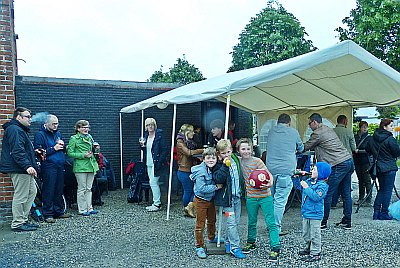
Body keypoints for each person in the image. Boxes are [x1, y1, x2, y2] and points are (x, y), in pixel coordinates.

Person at [304, 113, 354, 230]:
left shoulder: (317, 133)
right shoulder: (328, 129)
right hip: (348, 160)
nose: (309, 126)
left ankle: (322, 222)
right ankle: (347, 221)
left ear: (314, 122)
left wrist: (295, 148)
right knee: (346, 193)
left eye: (309, 123)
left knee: (327, 192)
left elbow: (306, 146)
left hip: (338, 163)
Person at [237, 138, 280, 262]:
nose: (246, 151)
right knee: (251, 221)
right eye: (243, 149)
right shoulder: (238, 161)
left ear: (252, 149)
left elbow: (268, 173)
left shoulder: (257, 161)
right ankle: (251, 242)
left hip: (265, 196)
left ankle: (275, 247)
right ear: (239, 150)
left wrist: (270, 182)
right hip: (251, 197)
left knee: (271, 222)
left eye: (248, 149)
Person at [0, 107, 39, 232]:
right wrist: (27, 166)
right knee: (21, 195)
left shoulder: (18, 129)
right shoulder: (15, 130)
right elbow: (17, 151)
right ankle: (17, 223)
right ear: (18, 117)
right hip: (19, 168)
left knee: (31, 192)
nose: (30, 119)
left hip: (22, 167)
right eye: (27, 116)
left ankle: (23, 219)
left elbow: (22, 149)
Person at [266, 113, 304, 235]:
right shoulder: (293, 132)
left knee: (271, 199)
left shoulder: (271, 131)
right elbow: (301, 148)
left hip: (270, 171)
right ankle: (275, 228)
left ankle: (270, 225)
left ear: (278, 122)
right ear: (289, 123)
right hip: (286, 171)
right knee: (280, 201)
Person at [33, 114, 70, 223]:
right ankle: (48, 214)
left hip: (59, 165)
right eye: (53, 124)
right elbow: (38, 152)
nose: (56, 126)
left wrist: (64, 147)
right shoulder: (40, 135)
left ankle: (58, 211)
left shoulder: (58, 133)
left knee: (59, 189)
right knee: (49, 189)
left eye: (57, 123)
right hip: (48, 166)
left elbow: (61, 148)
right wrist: (53, 148)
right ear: (46, 123)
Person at [214, 139, 246, 259]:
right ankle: (235, 247)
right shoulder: (218, 165)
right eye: (223, 153)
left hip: (237, 196)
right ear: (219, 154)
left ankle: (228, 241)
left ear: (231, 151)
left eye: (228, 152)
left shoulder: (235, 160)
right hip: (227, 199)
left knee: (235, 222)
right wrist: (224, 165)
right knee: (231, 222)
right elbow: (218, 178)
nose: (226, 155)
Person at [293, 162, 330, 262]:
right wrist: (298, 178)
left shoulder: (322, 186)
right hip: (306, 213)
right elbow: (299, 187)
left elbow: (316, 197)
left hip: (315, 214)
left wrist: (306, 187)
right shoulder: (309, 181)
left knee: (315, 234)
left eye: (314, 169)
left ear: (321, 173)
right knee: (306, 233)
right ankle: (308, 248)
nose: (312, 171)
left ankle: (315, 252)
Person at [189, 147, 222, 259]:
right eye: (208, 158)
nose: (211, 160)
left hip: (210, 199)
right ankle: (199, 246)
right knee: (200, 224)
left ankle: (211, 237)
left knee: (212, 220)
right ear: (203, 159)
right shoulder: (200, 172)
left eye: (213, 158)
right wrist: (216, 187)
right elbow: (202, 188)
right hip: (201, 200)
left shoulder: (213, 168)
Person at [366, 119, 400, 220]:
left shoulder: (372, 138)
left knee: (381, 190)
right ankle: (384, 212)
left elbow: (368, 149)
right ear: (384, 127)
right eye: (391, 126)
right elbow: (397, 152)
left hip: (379, 167)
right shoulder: (390, 139)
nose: (393, 128)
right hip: (389, 167)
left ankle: (376, 212)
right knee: (387, 190)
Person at [67, 120, 99, 216]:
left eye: (87, 127)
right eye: (83, 127)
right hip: (80, 167)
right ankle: (82, 209)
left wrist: (96, 149)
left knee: (89, 188)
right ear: (78, 129)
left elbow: (92, 150)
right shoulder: (73, 139)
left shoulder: (89, 137)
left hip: (91, 165)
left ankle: (90, 208)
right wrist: (83, 155)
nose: (86, 129)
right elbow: (70, 153)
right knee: (82, 188)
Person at [139, 118, 167, 212]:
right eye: (148, 125)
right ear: (145, 127)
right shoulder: (146, 136)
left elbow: (164, 150)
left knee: (153, 182)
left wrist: (159, 162)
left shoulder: (159, 136)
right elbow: (147, 150)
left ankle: (157, 204)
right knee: (153, 182)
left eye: (151, 124)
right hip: (148, 163)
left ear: (154, 125)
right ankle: (156, 202)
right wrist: (142, 146)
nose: (150, 126)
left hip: (156, 163)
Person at [176, 124, 204, 217]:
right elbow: (188, 153)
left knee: (191, 190)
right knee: (189, 191)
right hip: (184, 171)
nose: (193, 133)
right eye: (192, 131)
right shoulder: (180, 143)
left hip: (188, 169)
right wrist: (202, 150)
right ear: (187, 132)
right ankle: (187, 208)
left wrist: (197, 158)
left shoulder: (188, 142)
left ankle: (188, 208)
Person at [331, 114, 356, 207]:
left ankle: (333, 203)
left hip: (335, 160)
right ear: (345, 121)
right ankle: (347, 205)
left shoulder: (332, 131)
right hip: (347, 160)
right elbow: (354, 148)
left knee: (334, 183)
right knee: (346, 185)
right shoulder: (349, 132)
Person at [353, 121, 372, 206]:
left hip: (366, 161)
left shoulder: (369, 138)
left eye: (366, 127)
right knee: (360, 180)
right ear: (360, 128)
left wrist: (360, 150)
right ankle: (361, 198)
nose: (364, 128)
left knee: (367, 180)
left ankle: (368, 198)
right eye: (363, 127)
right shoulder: (355, 137)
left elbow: (370, 149)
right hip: (357, 160)